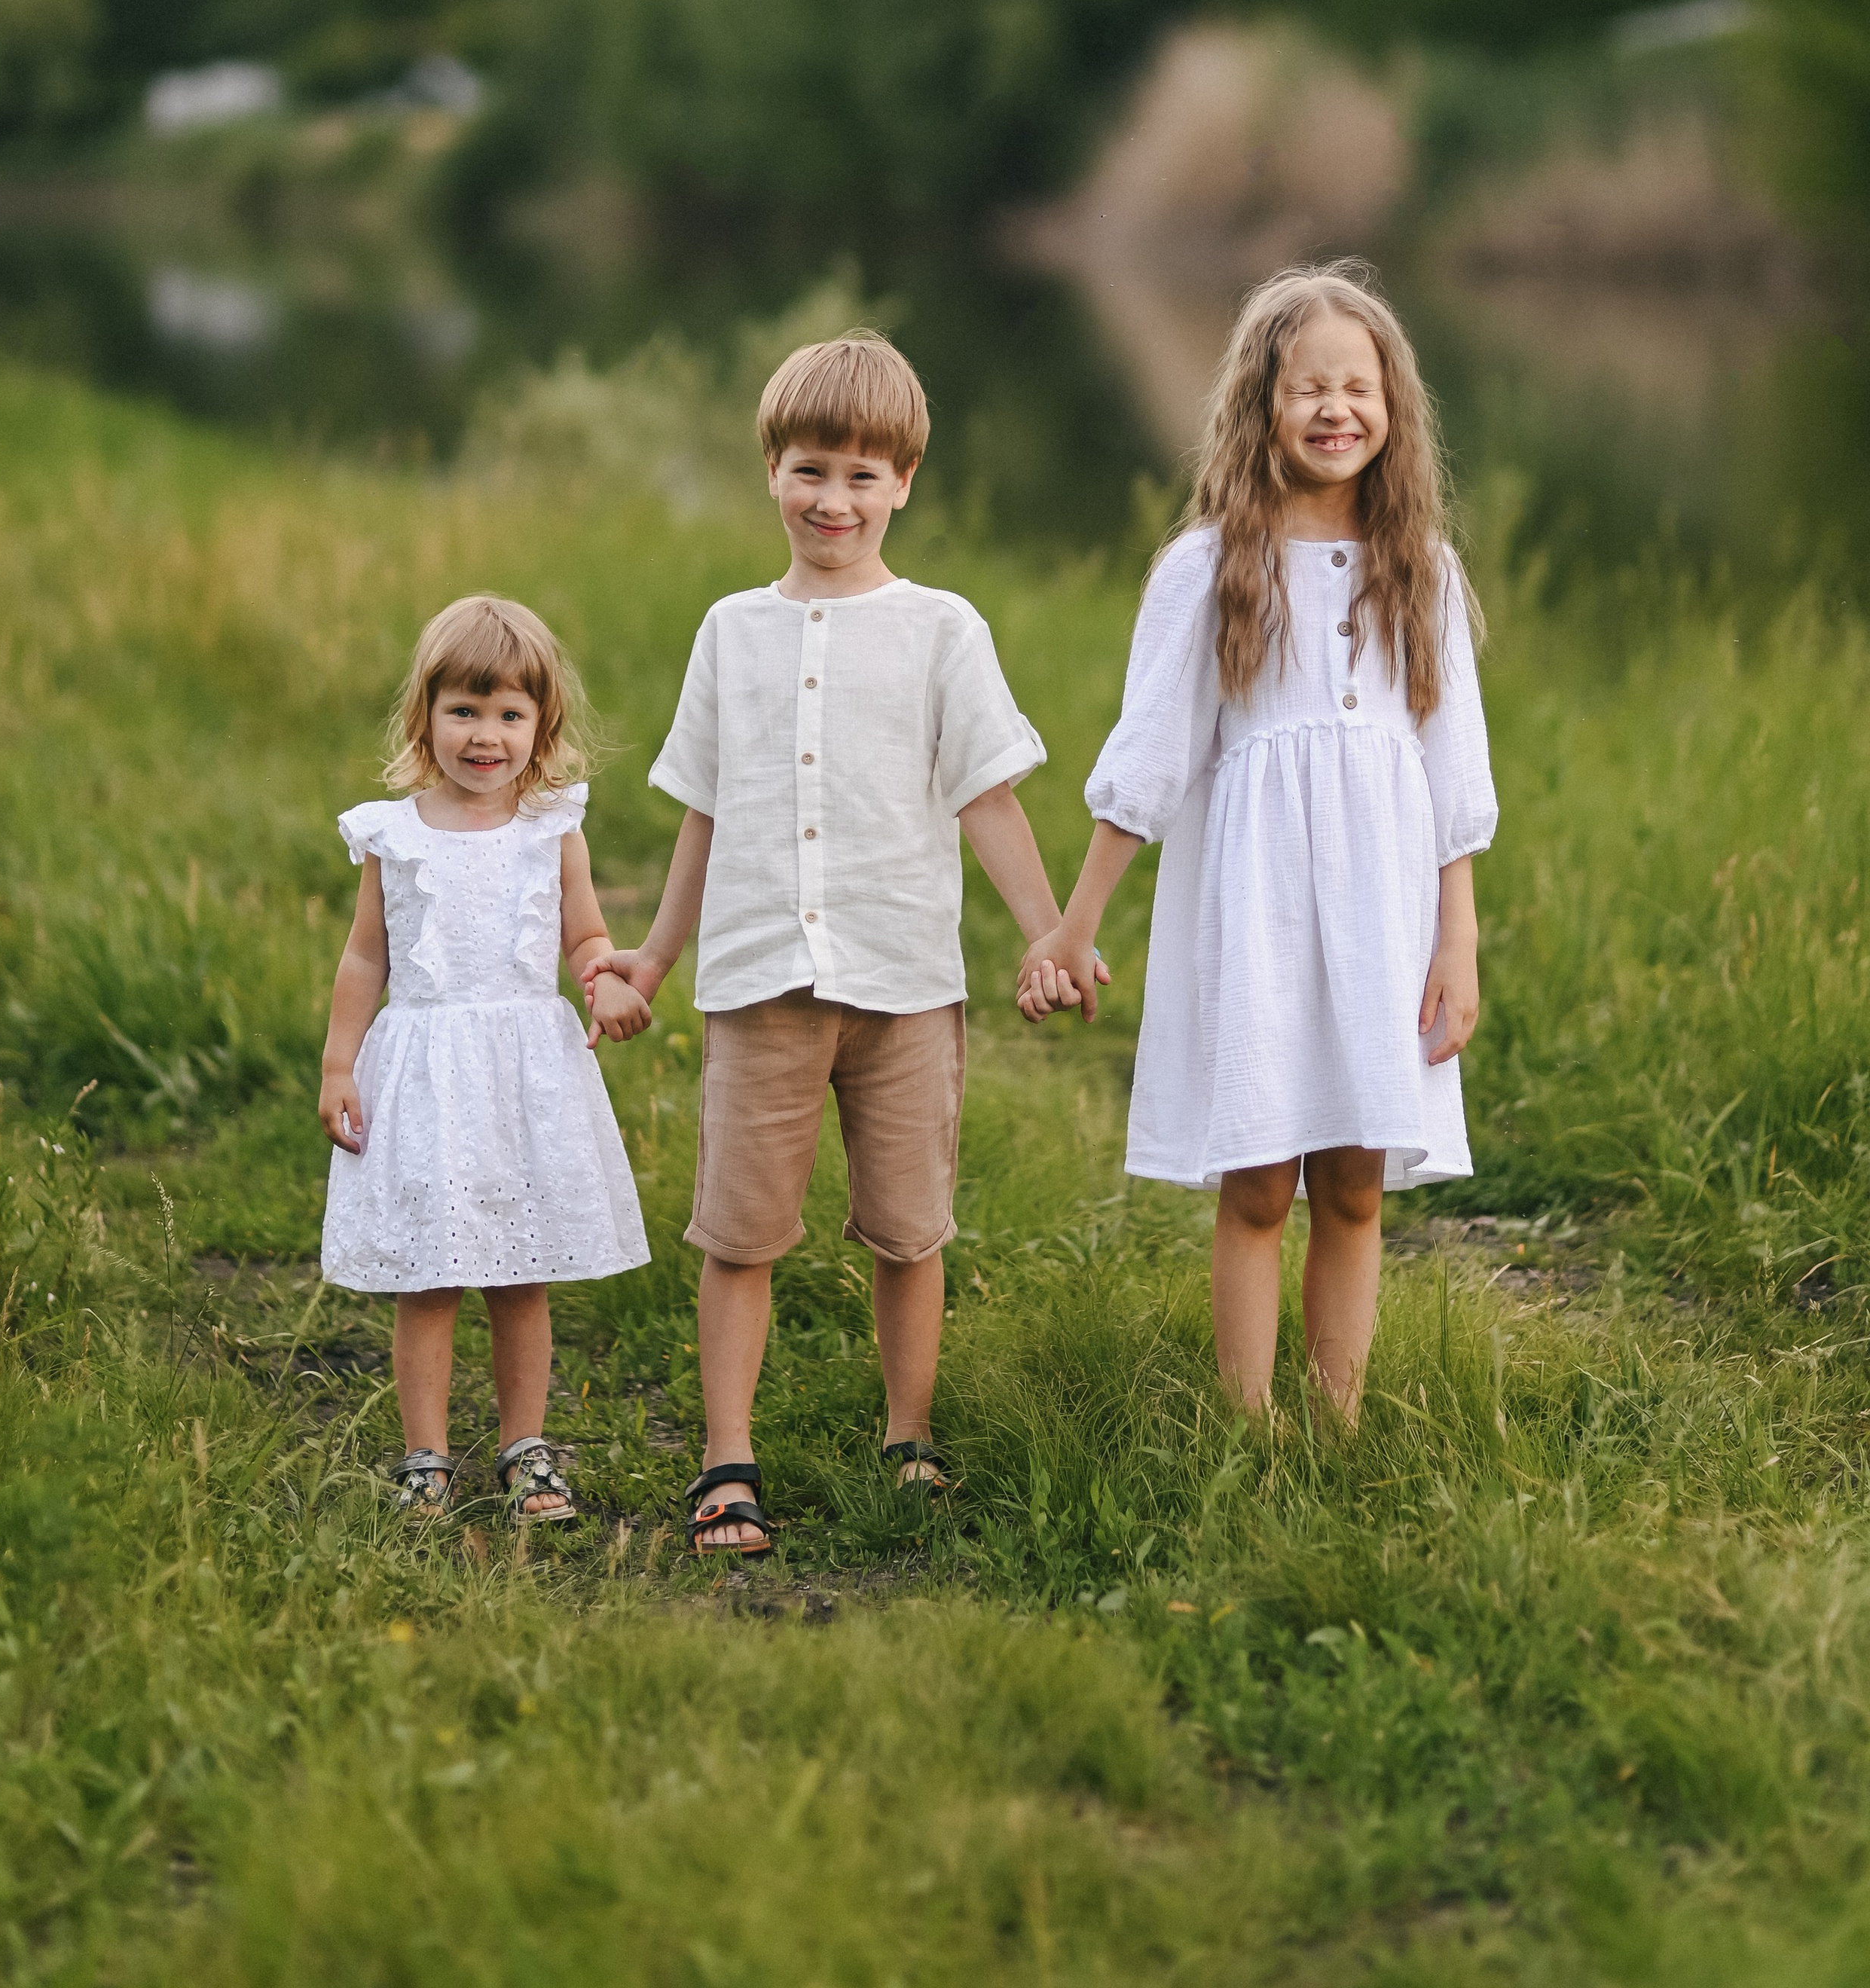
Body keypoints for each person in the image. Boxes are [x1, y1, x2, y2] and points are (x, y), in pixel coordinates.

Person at [585, 331, 1074, 1555]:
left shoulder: (941, 628)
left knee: (911, 1227)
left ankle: (909, 1438)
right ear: (772, 470)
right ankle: (726, 1458)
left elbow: (987, 797)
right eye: (811, 469)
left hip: (905, 980)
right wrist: (654, 956)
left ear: (904, 481)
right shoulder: (730, 630)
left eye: (862, 475)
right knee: (739, 1230)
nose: (833, 499)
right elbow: (706, 812)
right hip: (759, 980)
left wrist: (1050, 933)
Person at [1018, 263, 1496, 1425]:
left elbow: (1453, 773)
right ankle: (1249, 1425)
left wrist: (1459, 940)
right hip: (1258, 907)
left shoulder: (1421, 569)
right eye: (1309, 388)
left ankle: (1337, 1419)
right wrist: (1073, 924)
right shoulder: (1209, 566)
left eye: (1359, 388)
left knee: (1356, 1184)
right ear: (1261, 405)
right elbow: (1149, 757)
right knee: (1260, 1183)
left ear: (1393, 406)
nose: (1337, 410)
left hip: (1384, 916)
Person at [318, 594, 652, 1522]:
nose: (485, 734)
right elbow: (365, 957)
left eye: (510, 712)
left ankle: (524, 1446)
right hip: (426, 1071)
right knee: (427, 1275)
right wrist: (339, 1063)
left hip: (521, 1076)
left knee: (518, 1269)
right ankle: (425, 1455)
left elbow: (585, 934)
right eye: (464, 709)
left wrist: (605, 980)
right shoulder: (394, 834)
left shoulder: (551, 826)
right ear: (424, 713)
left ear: (542, 722)